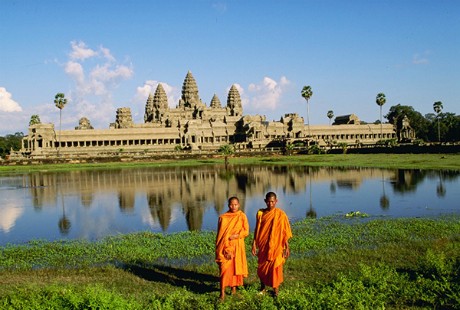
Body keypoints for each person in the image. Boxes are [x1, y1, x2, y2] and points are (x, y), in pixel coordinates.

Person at [251, 191, 292, 297]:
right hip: (263, 245)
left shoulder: (281, 214)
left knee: (275, 268)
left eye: (272, 202)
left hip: (276, 246)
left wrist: (287, 246)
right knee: (262, 267)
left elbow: (284, 232)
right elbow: (257, 230)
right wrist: (254, 243)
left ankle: (276, 290)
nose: (270, 204)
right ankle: (262, 288)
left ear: (276, 201)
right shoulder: (261, 214)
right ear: (265, 201)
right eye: (268, 202)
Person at [215, 196, 249, 300]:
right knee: (224, 269)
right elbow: (220, 235)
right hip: (225, 247)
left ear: (238, 205)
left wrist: (237, 235)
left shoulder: (242, 216)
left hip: (237, 246)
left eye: (235, 204)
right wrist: (225, 249)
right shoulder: (223, 217)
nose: (233, 206)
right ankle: (222, 293)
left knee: (235, 268)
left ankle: (233, 289)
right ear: (228, 205)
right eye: (231, 204)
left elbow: (246, 231)